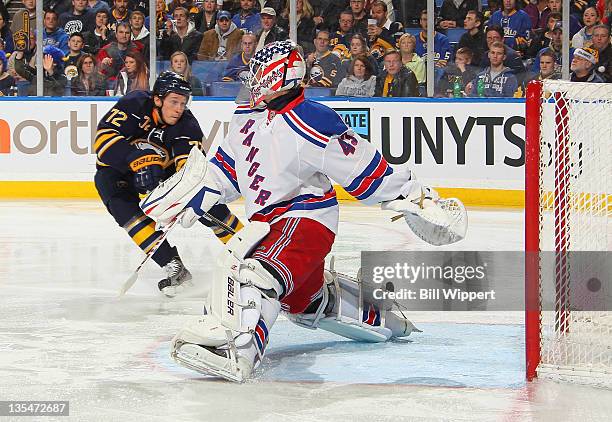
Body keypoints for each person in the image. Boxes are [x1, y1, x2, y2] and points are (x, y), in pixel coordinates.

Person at [141, 40, 454, 382]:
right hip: (268, 226)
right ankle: (378, 315)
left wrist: (414, 196)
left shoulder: (313, 119)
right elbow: (227, 171)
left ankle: (236, 348)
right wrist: (193, 194)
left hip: (305, 221)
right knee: (304, 302)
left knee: (255, 275)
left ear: (278, 76)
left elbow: (366, 174)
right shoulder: (246, 119)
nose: (252, 80)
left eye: (259, 73)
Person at [94, 72, 244, 297]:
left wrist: (183, 194)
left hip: (164, 177)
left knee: (205, 203)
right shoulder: (134, 103)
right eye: (174, 102)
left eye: (183, 103)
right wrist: (137, 160)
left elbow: (190, 172)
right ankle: (173, 265)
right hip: (119, 171)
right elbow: (103, 139)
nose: (179, 109)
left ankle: (249, 250)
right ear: (157, 99)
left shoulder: (188, 125)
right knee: (115, 198)